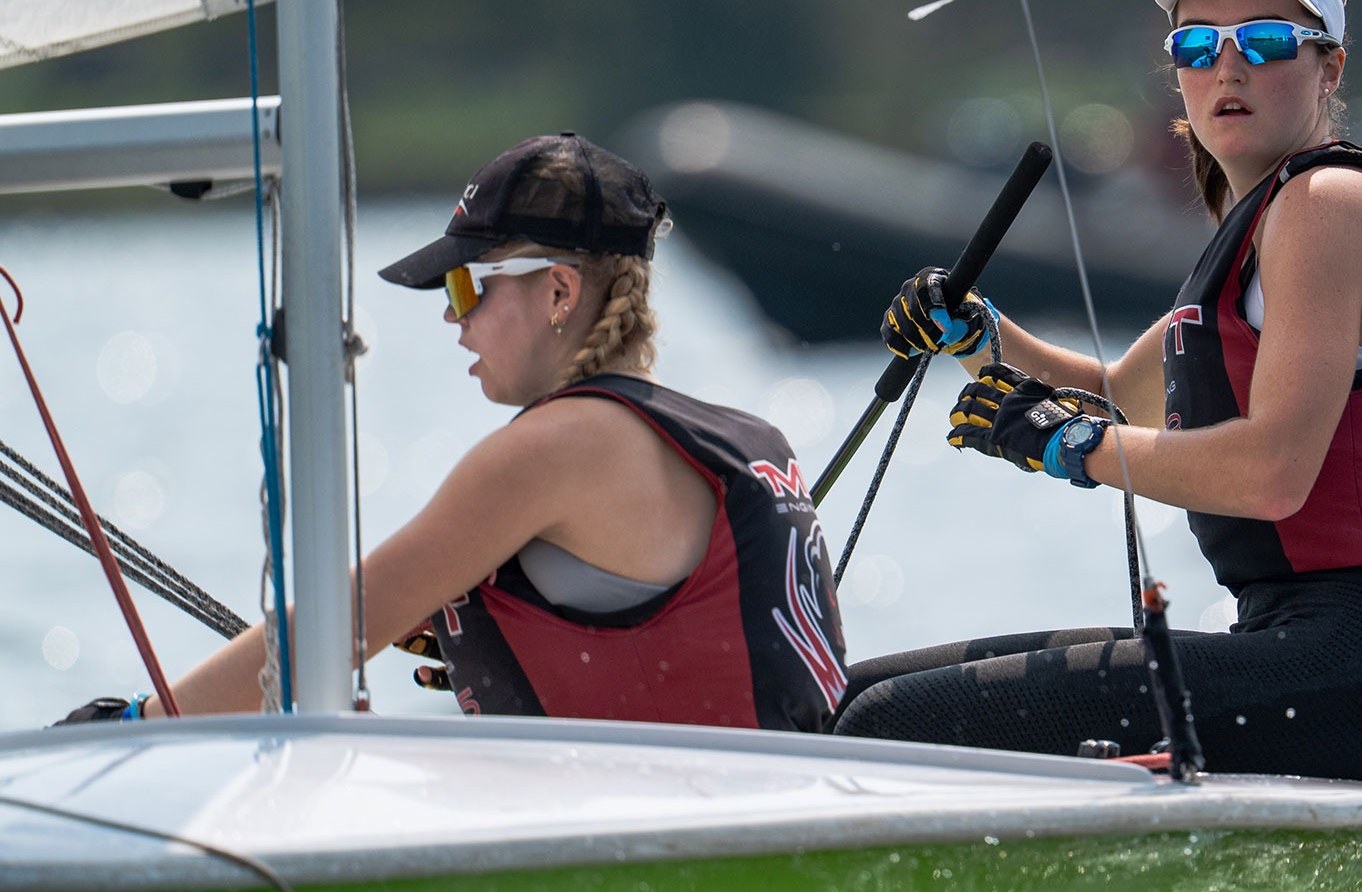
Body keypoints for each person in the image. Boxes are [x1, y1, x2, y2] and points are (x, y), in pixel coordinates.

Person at [836, 0, 1362, 787]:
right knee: (842, 695)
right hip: (1318, 663)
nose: (1227, 66)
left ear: (1330, 67)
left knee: (882, 724)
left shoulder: (1329, 208)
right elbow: (1121, 397)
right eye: (1197, 45)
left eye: (1268, 40)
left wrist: (1076, 449)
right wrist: (980, 337)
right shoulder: (1278, 226)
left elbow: (1271, 471)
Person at [63, 133, 846, 730]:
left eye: (469, 285)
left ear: (560, 292)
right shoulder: (751, 436)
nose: (450, 315)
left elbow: (337, 629)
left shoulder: (555, 447)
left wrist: (132, 727)